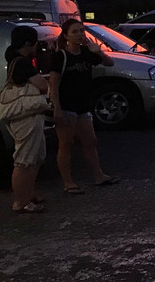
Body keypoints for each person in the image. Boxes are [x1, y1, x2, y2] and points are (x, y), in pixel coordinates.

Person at [49, 19, 118, 194]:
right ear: (66, 36)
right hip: (66, 105)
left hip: (83, 105)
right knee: (66, 144)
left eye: (81, 31)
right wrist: (56, 107)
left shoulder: (87, 53)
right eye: (75, 32)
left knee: (90, 141)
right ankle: (68, 182)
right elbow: (54, 83)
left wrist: (99, 52)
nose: (80, 35)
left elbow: (110, 63)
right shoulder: (61, 56)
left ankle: (99, 175)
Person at [4, 25, 50, 213]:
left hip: (29, 114)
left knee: (34, 156)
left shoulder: (15, 59)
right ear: (28, 43)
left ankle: (28, 194)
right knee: (24, 159)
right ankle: (20, 201)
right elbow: (42, 85)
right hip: (25, 116)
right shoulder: (22, 63)